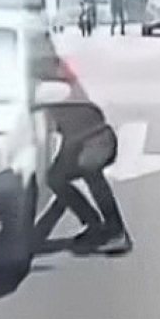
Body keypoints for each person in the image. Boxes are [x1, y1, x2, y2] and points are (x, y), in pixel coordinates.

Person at [34, 101, 133, 256]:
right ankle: (98, 228)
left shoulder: (57, 107)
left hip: (94, 142)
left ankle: (115, 232)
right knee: (59, 178)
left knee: (87, 174)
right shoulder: (66, 101)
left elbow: (68, 139)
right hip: (97, 140)